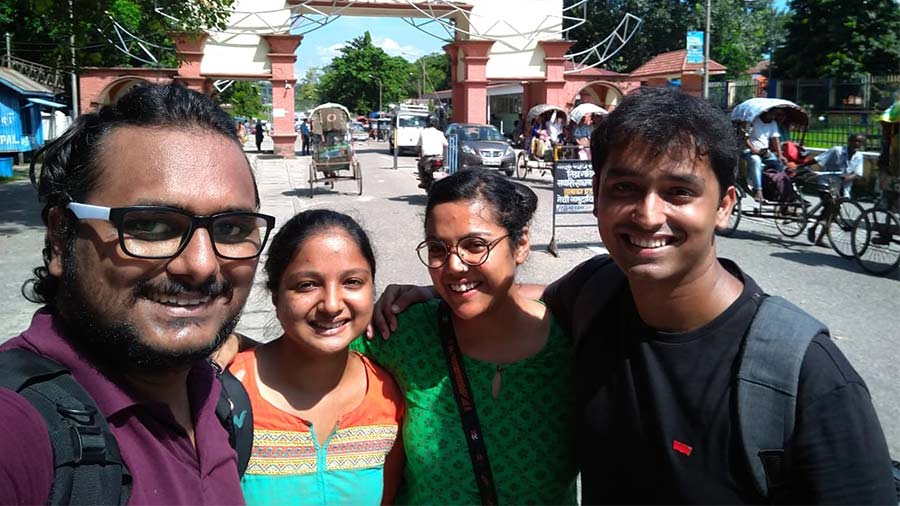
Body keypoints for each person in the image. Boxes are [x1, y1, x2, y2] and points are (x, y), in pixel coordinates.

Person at [374, 88, 895, 504]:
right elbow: (521, 296)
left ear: (725, 206)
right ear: (597, 195)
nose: (647, 215)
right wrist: (443, 286)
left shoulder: (804, 377)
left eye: (679, 191)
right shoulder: (595, 293)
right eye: (624, 188)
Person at [0, 83, 276, 503]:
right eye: (149, 225)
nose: (201, 265)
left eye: (232, 229)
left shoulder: (222, 403)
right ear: (60, 238)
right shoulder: (19, 428)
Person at [355, 169, 577, 504]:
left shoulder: (575, 338)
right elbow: (306, 355)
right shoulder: (404, 333)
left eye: (476, 246)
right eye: (438, 249)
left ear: (521, 244)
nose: (454, 266)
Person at [229, 210, 404, 505]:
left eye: (352, 282)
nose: (332, 305)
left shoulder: (388, 395)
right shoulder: (227, 394)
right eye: (307, 285)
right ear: (275, 295)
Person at [803, 133, 866, 245]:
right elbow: (818, 159)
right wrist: (801, 166)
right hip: (827, 182)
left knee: (834, 212)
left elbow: (858, 174)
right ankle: (819, 224)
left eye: (859, 142)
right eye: (854, 141)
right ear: (849, 141)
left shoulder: (859, 156)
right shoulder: (837, 150)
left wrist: (849, 177)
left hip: (843, 186)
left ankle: (818, 235)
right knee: (830, 204)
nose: (856, 144)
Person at [743, 108, 787, 202]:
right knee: (756, 161)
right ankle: (758, 190)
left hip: (764, 152)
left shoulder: (773, 123)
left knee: (779, 163)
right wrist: (753, 149)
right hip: (749, 151)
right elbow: (745, 138)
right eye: (772, 114)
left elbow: (775, 139)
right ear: (766, 113)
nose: (774, 117)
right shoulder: (753, 121)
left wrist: (780, 155)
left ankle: (782, 188)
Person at [416, 116, 448, 189]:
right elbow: (446, 144)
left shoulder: (423, 132)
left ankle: (423, 181)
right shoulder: (440, 133)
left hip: (427, 157)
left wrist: (417, 149)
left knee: (419, 165)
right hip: (439, 157)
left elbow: (418, 145)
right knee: (443, 169)